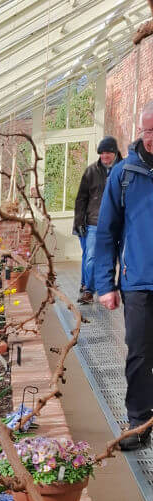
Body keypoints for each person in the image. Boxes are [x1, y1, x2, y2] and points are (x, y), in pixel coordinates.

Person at [93, 102, 153, 450]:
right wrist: (106, 284)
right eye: (147, 130)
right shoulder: (125, 173)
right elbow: (106, 232)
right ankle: (139, 423)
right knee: (140, 354)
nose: (151, 137)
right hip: (139, 281)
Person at [72, 135, 120, 303]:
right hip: (93, 222)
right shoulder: (91, 171)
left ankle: (102, 286)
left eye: (107, 153)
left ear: (115, 152)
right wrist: (79, 221)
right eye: (102, 153)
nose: (104, 156)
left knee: (110, 257)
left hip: (116, 223)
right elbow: (81, 198)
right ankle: (88, 291)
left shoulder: (122, 169)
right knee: (91, 256)